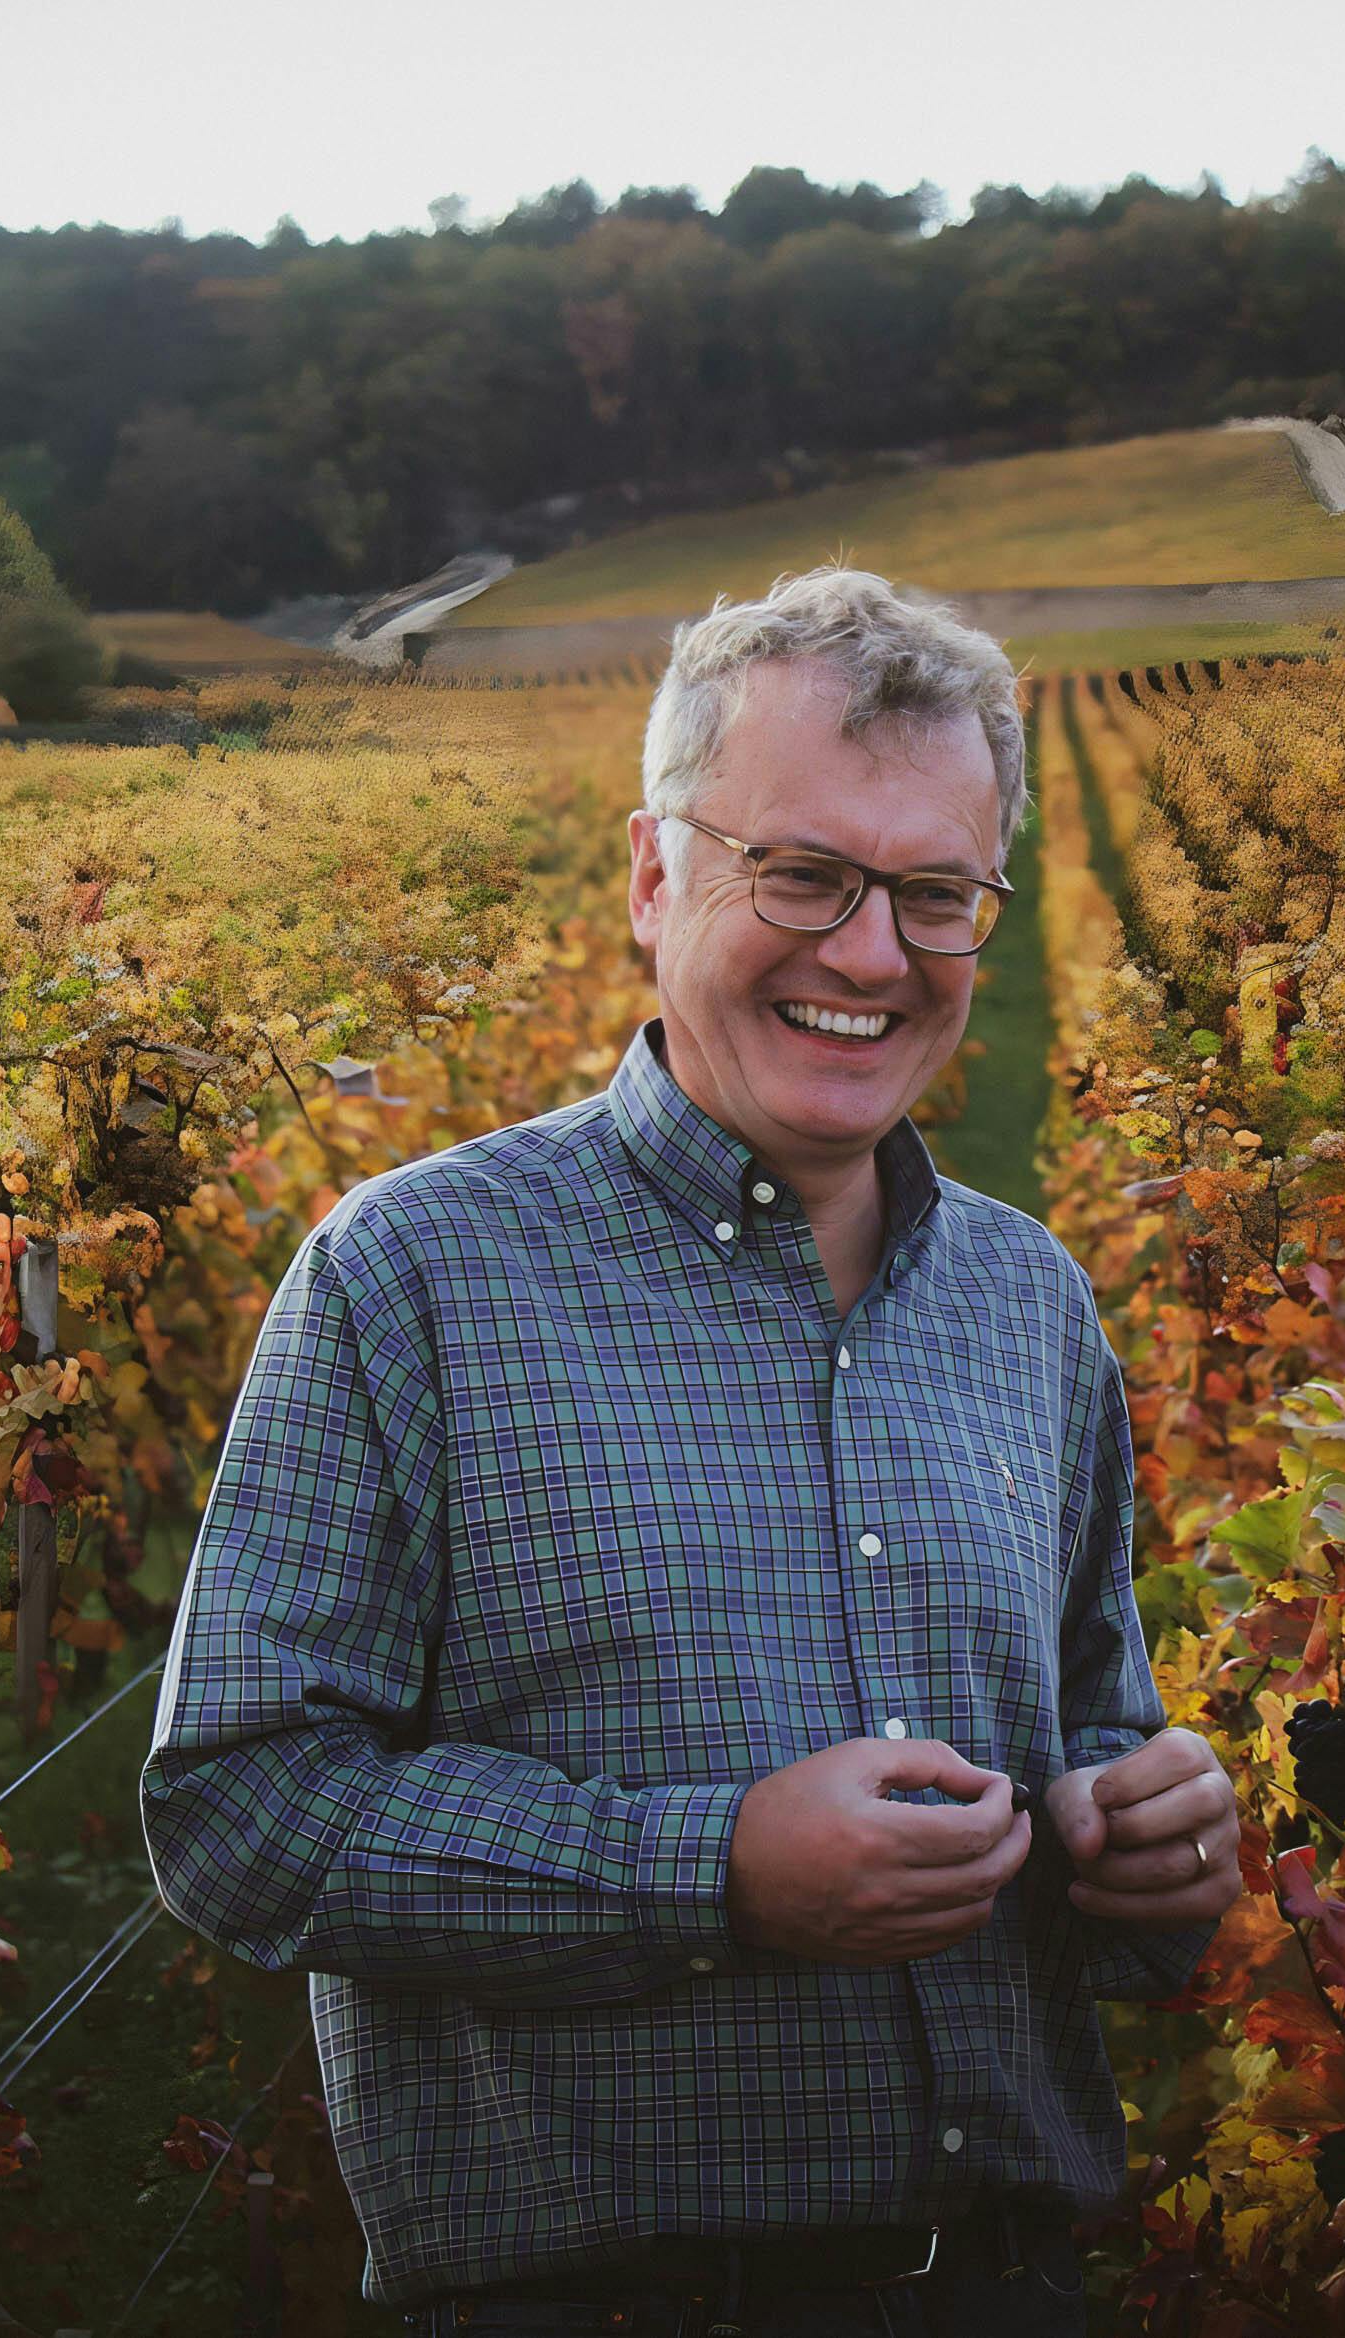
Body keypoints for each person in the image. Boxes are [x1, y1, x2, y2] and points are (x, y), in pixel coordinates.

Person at [144, 566, 1244, 2336]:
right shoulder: (411, 1274)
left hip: (1016, 2287)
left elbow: (1093, 1737)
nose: (871, 954)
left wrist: (1143, 1843)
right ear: (655, 874)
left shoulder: (1031, 1304)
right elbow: (241, 1810)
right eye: (800, 873)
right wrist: (712, 1867)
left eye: (936, 895)